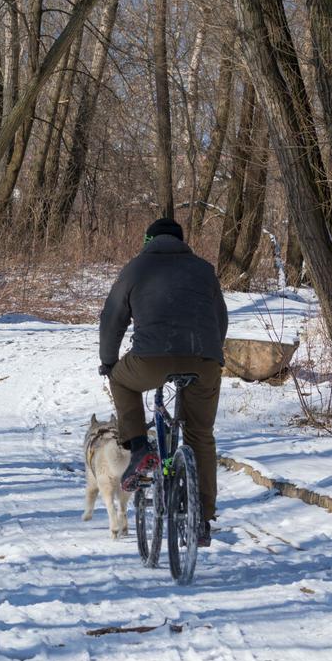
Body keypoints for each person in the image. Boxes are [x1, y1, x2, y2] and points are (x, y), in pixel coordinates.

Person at [97, 217, 228, 547]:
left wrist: (109, 362)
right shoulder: (203, 269)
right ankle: (202, 517)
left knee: (122, 381)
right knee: (201, 433)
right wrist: (208, 352)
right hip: (205, 362)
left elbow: (112, 319)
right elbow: (220, 320)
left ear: (147, 239)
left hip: (151, 360)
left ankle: (140, 448)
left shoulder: (136, 269)